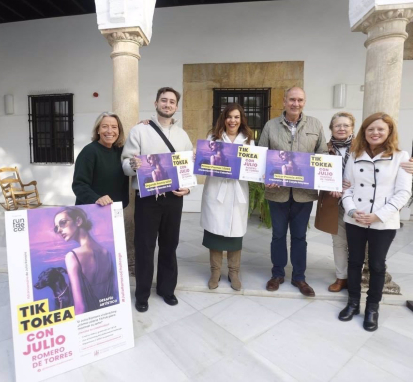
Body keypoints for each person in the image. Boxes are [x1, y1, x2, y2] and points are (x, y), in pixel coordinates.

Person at [315, 112, 413, 293]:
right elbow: (313, 171)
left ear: (353, 128)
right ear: (331, 129)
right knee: (339, 243)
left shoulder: (362, 146)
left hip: (364, 205)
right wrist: (328, 185)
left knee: (367, 251)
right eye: (337, 125)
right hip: (335, 203)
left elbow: (398, 164)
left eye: (346, 125)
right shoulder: (323, 150)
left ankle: (362, 280)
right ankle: (342, 278)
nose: (341, 128)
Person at [338, 112, 412, 332]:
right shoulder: (354, 154)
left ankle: (372, 308)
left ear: (389, 132)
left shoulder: (401, 157)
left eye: (380, 129)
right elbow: (347, 187)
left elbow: (403, 193)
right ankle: (352, 302)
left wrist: (378, 215)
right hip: (356, 219)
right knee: (354, 262)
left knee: (377, 266)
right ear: (364, 132)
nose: (375, 133)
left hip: (383, 222)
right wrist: (351, 211)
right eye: (371, 129)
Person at [122, 87, 193, 312]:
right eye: (164, 100)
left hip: (173, 198)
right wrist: (132, 165)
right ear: (155, 103)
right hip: (147, 198)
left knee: (169, 245)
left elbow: (188, 168)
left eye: (172, 102)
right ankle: (142, 294)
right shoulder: (139, 131)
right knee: (144, 246)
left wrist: (187, 189)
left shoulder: (182, 136)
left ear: (176, 107)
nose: (168, 104)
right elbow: (125, 164)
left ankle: (166, 289)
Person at [258, 87, 326, 297]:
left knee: (299, 236)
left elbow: (322, 154)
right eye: (292, 100)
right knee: (278, 235)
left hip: (303, 194)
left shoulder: (315, 124)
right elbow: (261, 156)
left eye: (300, 100)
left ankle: (299, 277)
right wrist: (266, 178)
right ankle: (277, 274)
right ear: (284, 101)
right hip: (277, 192)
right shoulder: (271, 125)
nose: (296, 104)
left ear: (304, 102)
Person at [201, 103, 254, 291]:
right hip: (217, 191)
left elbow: (252, 166)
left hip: (237, 191)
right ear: (224, 118)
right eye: (229, 117)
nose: (233, 120)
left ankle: (234, 272)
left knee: (235, 233)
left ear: (241, 120)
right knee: (215, 232)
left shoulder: (248, 140)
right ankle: (215, 271)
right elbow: (205, 162)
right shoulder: (213, 138)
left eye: (237, 117)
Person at [55, 207, 118, 315]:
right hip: (108, 316)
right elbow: (113, 294)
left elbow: (80, 308)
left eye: (63, 223)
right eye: (56, 228)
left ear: (78, 221)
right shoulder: (106, 253)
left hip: (88, 323)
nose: (59, 230)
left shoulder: (72, 256)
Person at [72, 112, 129, 208]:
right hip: (93, 210)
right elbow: (79, 185)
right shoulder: (89, 151)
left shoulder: (120, 151)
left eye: (114, 127)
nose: (109, 131)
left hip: (114, 210)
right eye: (105, 126)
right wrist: (96, 198)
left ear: (119, 131)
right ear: (98, 130)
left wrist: (144, 126)